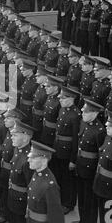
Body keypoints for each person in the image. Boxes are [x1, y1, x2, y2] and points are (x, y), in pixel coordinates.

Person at [71, 99, 106, 223]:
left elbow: (100, 155)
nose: (82, 112)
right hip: (81, 165)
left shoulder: (100, 131)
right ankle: (82, 220)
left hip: (91, 169)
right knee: (82, 196)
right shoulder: (84, 124)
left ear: (95, 113)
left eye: (85, 111)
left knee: (90, 199)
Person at [50, 86, 81, 215]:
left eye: (63, 97)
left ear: (71, 99)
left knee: (68, 180)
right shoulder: (63, 109)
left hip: (68, 152)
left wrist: (73, 160)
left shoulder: (76, 115)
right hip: (58, 149)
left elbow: (76, 140)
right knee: (59, 176)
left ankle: (68, 203)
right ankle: (61, 200)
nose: (60, 99)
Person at [25, 140, 65, 223]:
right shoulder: (37, 174)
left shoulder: (50, 186)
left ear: (43, 160)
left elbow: (56, 218)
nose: (28, 160)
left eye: (33, 158)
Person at [7, 120, 36, 223]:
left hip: (21, 201)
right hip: (13, 195)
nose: (11, 137)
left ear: (25, 138)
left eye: (15, 135)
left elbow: (31, 186)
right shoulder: (18, 149)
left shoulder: (28, 160)